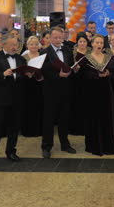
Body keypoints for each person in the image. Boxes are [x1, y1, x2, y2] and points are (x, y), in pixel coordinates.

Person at [0, 35, 31, 170]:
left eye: (16, 44)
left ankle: (11, 152)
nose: (14, 47)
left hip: (17, 99)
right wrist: (3, 74)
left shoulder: (21, 59)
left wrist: (28, 75)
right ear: (3, 44)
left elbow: (21, 79)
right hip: (0, 99)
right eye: (11, 45)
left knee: (14, 128)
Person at [40, 27, 77, 158]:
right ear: (50, 37)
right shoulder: (44, 52)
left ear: (63, 38)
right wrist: (58, 75)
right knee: (48, 120)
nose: (57, 40)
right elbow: (43, 71)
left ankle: (65, 144)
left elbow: (70, 66)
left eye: (59, 38)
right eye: (55, 37)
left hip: (65, 90)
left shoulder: (67, 50)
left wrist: (74, 69)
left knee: (64, 118)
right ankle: (46, 146)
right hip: (50, 91)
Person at [81, 34, 114, 156]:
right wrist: (96, 75)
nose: (99, 45)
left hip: (106, 91)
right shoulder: (86, 58)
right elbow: (83, 75)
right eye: (97, 43)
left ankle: (108, 146)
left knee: (107, 117)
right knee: (93, 117)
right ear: (92, 44)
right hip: (92, 93)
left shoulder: (109, 57)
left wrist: (109, 73)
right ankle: (94, 146)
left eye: (101, 43)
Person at [20, 36, 43, 137]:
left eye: (36, 44)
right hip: (28, 85)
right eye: (31, 44)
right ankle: (28, 130)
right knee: (28, 107)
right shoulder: (23, 58)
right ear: (27, 46)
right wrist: (26, 74)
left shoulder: (43, 55)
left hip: (41, 84)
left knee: (40, 106)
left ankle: (40, 130)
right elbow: (20, 71)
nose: (34, 46)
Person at [70, 33, 91, 136]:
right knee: (76, 104)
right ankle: (76, 128)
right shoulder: (73, 51)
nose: (82, 43)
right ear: (77, 42)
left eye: (84, 41)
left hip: (88, 81)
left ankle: (87, 128)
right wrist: (75, 68)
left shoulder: (91, 51)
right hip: (76, 81)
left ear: (87, 42)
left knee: (87, 104)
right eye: (80, 41)